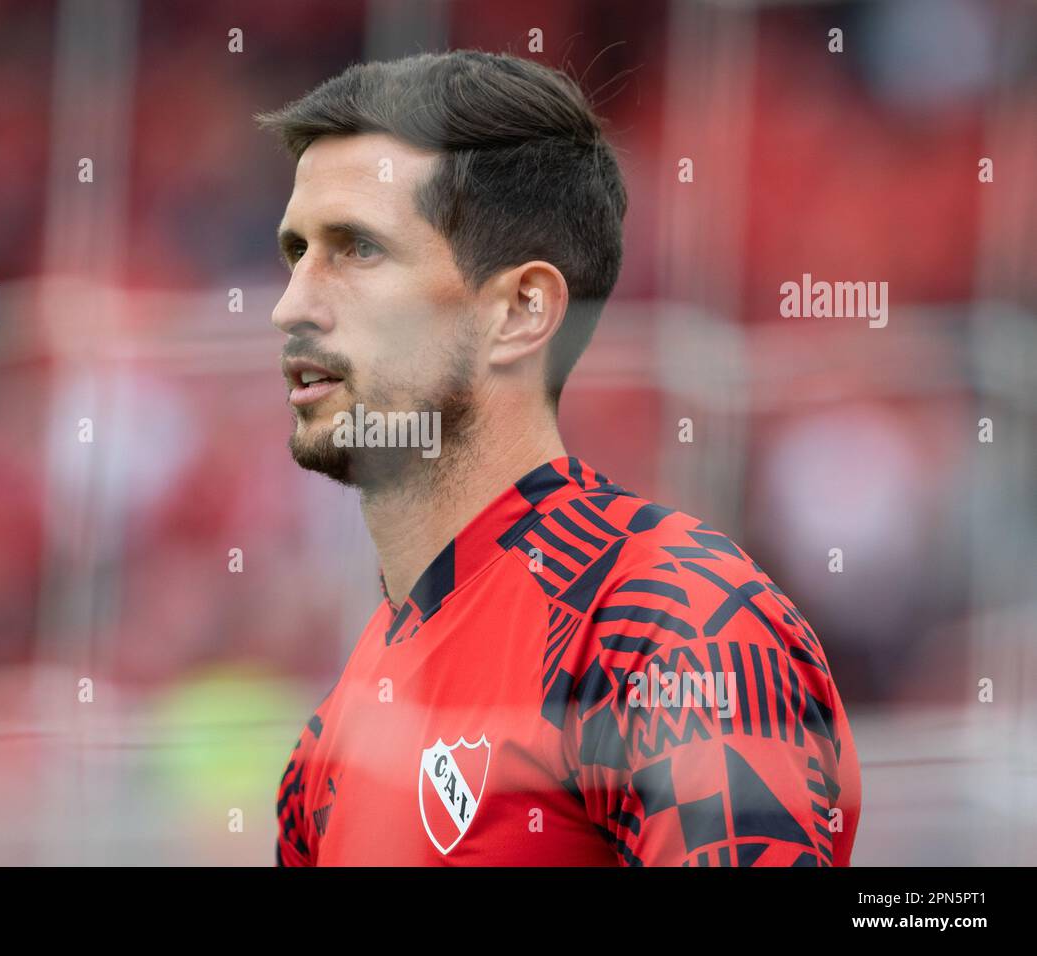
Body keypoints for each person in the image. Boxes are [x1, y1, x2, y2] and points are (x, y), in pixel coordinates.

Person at [257, 50, 860, 866]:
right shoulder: (329, 744)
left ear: (521, 311)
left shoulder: (667, 623)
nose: (291, 305)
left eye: (357, 250)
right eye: (296, 252)